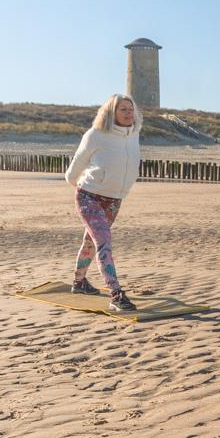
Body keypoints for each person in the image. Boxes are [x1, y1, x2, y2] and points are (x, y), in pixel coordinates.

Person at [65, 94, 142, 314]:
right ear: (111, 113)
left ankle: (79, 283)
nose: (129, 114)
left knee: (91, 242)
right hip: (89, 196)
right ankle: (116, 294)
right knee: (103, 241)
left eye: (131, 109)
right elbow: (75, 167)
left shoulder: (134, 133)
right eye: (123, 110)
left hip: (115, 200)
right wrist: (84, 186)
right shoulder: (96, 135)